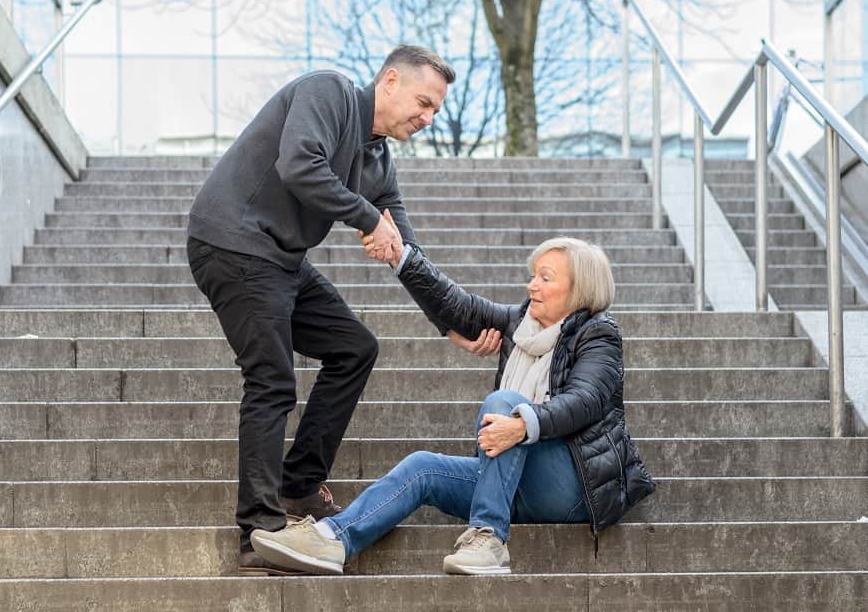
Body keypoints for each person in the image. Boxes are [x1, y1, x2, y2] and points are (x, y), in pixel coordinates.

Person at [186, 46, 456, 575]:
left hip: (281, 259)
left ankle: (300, 484)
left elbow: (408, 250)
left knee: (354, 348)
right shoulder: (327, 92)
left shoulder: (378, 161)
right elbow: (299, 165)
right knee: (271, 379)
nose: (427, 118)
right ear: (391, 81)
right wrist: (365, 216)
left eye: (436, 111)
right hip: (233, 242)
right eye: (423, 102)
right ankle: (258, 529)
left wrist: (454, 325)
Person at [249, 233, 656, 575]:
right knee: (423, 467)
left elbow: (586, 400)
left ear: (579, 288)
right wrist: (401, 256)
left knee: (505, 402)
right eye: (532, 276)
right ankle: (333, 540)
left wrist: (523, 424)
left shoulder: (598, 334)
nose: (532, 285)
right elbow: (456, 305)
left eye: (545, 278)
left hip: (574, 486)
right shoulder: (521, 324)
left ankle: (488, 537)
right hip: (515, 482)